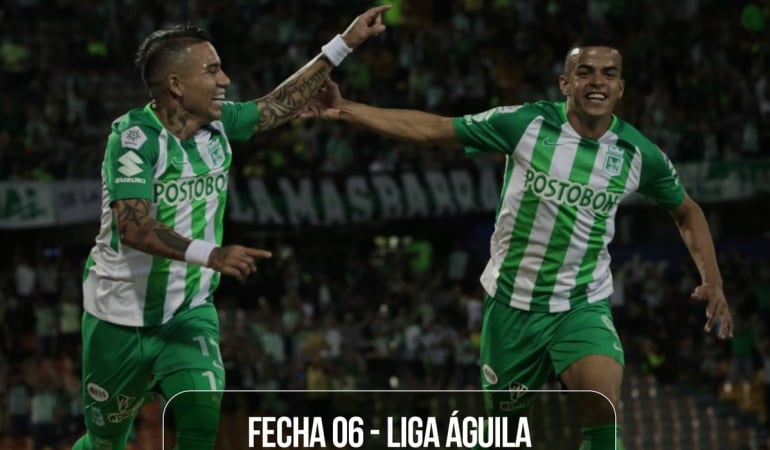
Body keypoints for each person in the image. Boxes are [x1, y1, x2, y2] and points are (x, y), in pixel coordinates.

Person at [301, 36, 734, 449]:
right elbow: (435, 129)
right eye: (585, 72)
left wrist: (712, 280)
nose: (597, 82)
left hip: (580, 305)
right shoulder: (525, 124)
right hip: (512, 306)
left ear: (620, 87)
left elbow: (688, 211)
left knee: (604, 408)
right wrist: (347, 109)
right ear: (565, 83)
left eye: (609, 73)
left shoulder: (637, 153)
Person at [73, 6, 389, 450]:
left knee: (201, 427)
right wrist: (212, 254)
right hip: (117, 318)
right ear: (176, 85)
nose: (224, 80)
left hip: (188, 312)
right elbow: (133, 227)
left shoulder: (221, 123)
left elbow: (277, 103)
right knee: (105, 443)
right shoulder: (133, 139)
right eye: (212, 70)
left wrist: (345, 43)